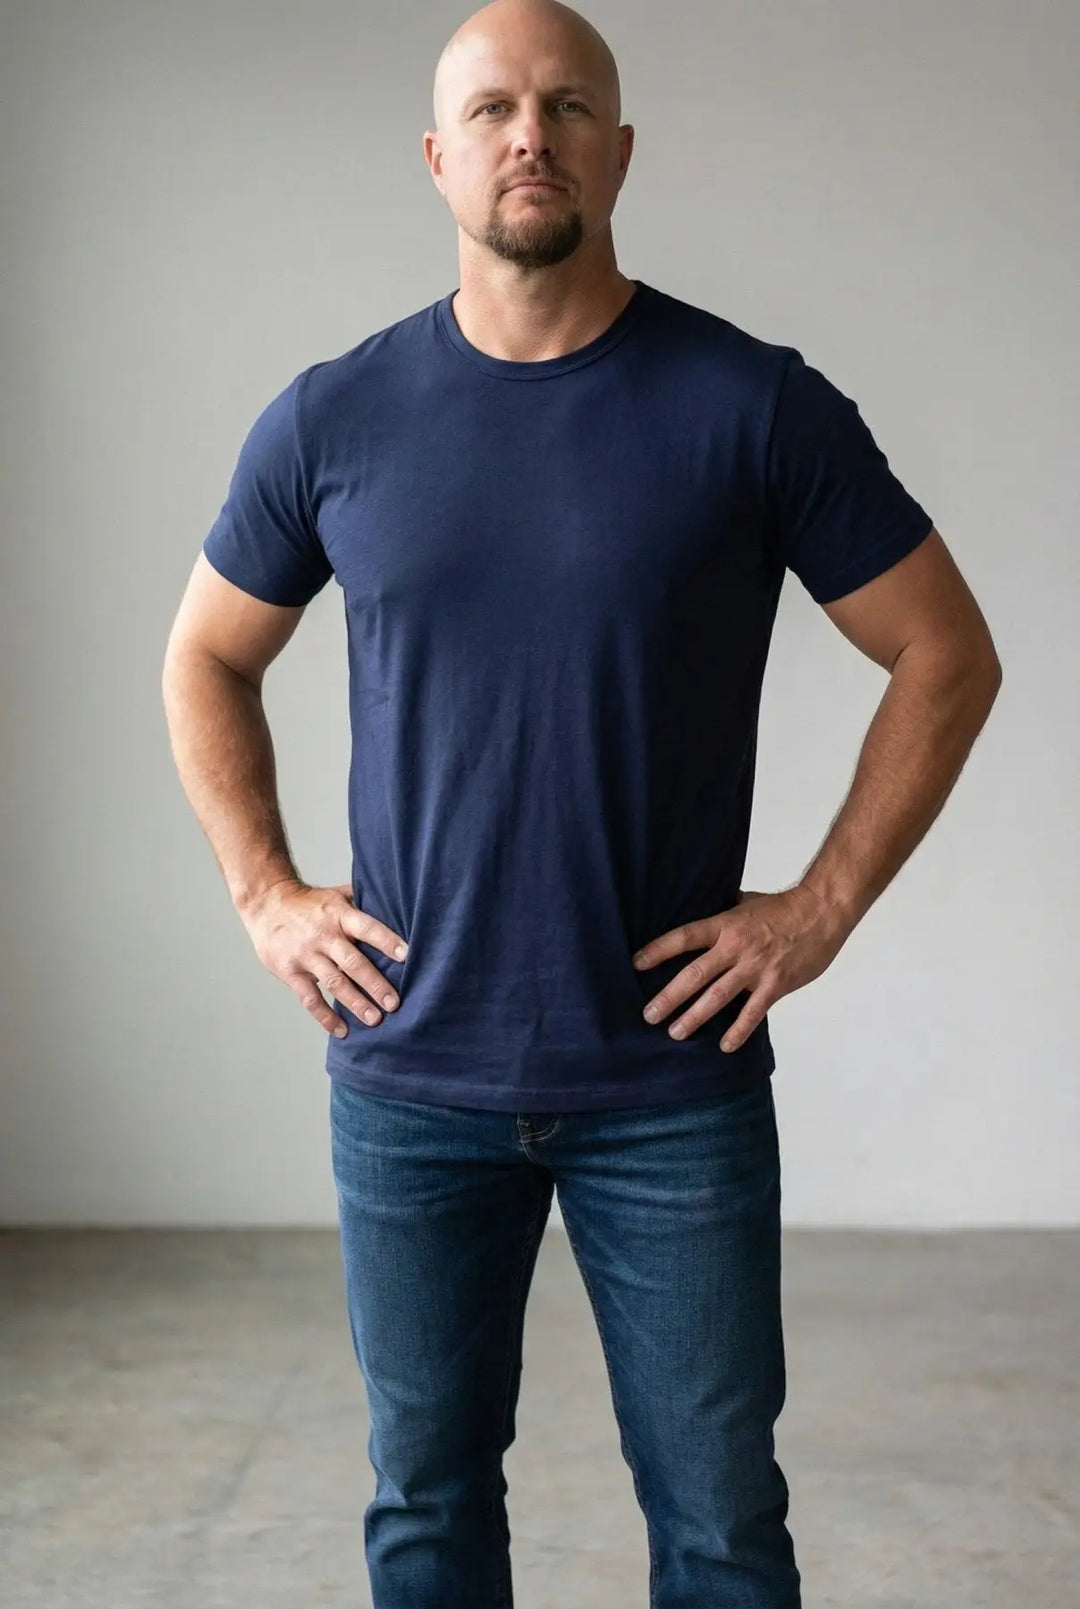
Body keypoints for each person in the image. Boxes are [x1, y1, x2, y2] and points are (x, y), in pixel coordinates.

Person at [162, 0, 1002, 1602]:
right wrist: (266, 893)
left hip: (668, 1082)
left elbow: (946, 654)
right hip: (412, 1071)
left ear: (621, 151)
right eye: (491, 109)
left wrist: (818, 909)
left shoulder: (753, 406)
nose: (528, 135)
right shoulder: (335, 416)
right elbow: (204, 655)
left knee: (721, 1524)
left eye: (565, 106)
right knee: (425, 1506)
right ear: (437, 157)